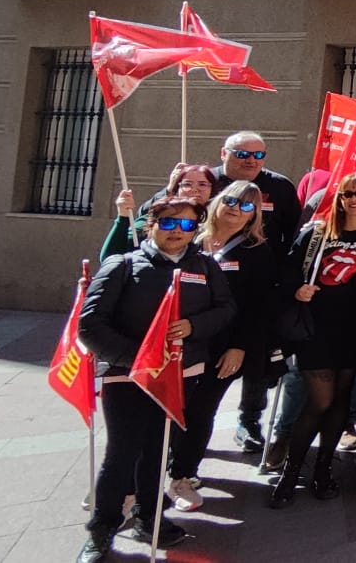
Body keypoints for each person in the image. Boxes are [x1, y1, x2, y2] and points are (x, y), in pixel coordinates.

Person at [76, 197, 235, 562]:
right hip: (127, 377)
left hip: (182, 376)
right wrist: (143, 359)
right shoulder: (123, 265)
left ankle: (150, 518)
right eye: (168, 223)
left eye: (186, 225)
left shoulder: (207, 267)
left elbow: (226, 310)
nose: (177, 232)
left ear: (196, 229)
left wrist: (195, 326)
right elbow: (91, 325)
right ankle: (101, 530)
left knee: (157, 451)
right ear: (152, 225)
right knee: (122, 454)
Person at [270, 172, 356, 508]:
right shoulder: (317, 233)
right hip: (315, 328)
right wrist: (297, 288)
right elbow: (289, 269)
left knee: (340, 401)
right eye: (346, 194)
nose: (353, 199)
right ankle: (291, 470)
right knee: (319, 401)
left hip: (354, 329)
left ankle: (323, 469)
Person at [169, 181, 276, 512]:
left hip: (224, 346)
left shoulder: (257, 252)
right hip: (179, 342)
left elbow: (260, 307)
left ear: (253, 215)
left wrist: (240, 347)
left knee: (201, 409)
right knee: (169, 408)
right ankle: (144, 474)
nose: (235, 208)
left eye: (246, 206)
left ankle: (184, 474)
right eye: (231, 200)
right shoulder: (189, 239)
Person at [101, 164, 219, 260]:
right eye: (187, 184)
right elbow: (110, 257)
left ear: (212, 189)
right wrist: (123, 216)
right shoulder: (154, 218)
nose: (194, 189)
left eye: (202, 184)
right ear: (176, 188)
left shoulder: (220, 222)